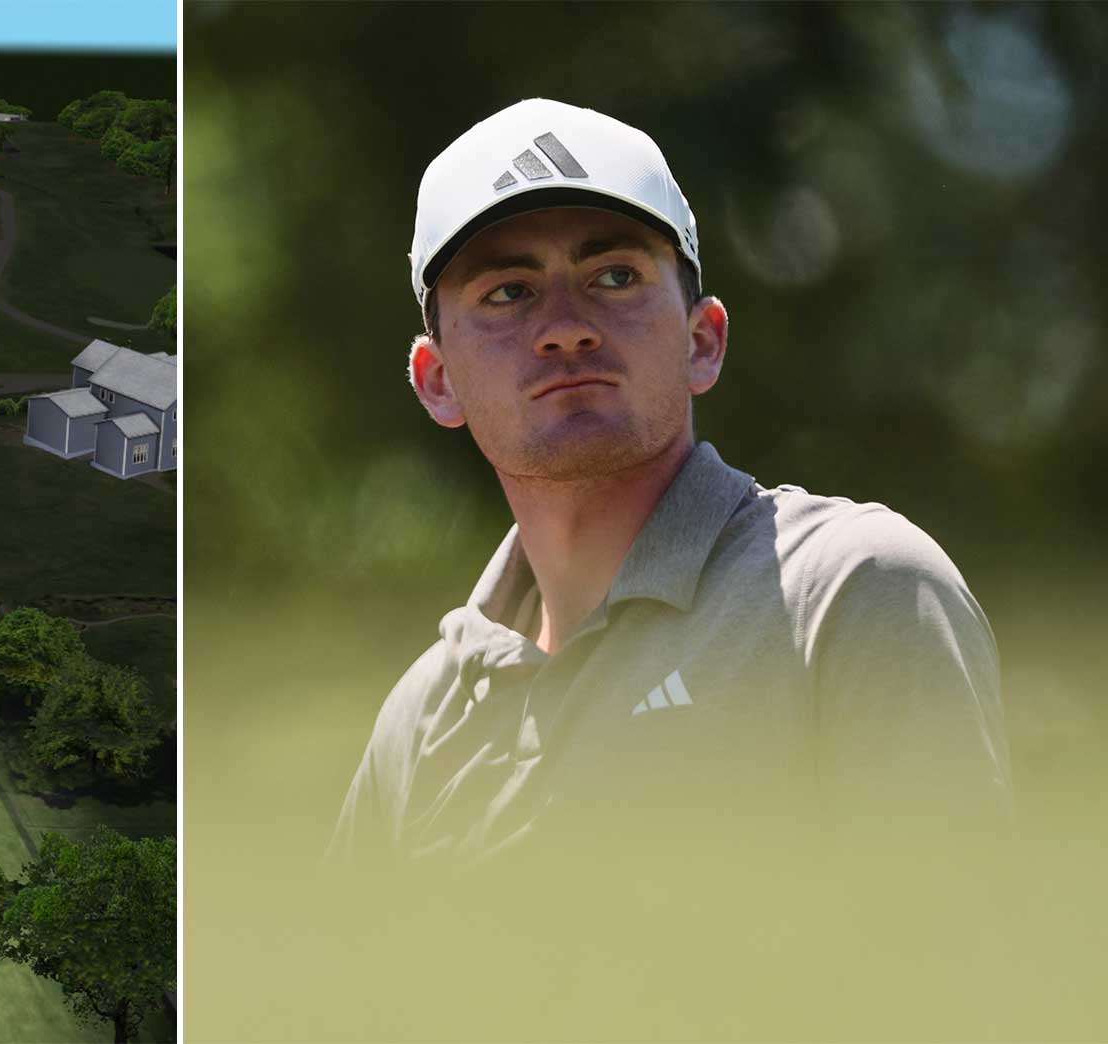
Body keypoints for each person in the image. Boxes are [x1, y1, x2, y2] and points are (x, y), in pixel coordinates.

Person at [328, 98, 1013, 871]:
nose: (564, 325)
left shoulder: (852, 591)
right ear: (437, 380)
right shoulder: (423, 721)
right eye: (508, 292)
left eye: (613, 275)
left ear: (703, 340)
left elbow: (955, 965)